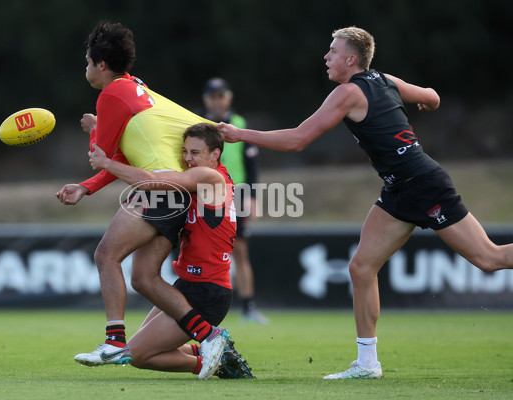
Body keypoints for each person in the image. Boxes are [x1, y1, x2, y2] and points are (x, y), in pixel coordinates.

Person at [219, 26, 513, 379]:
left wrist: (239, 135)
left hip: (424, 184)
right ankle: (367, 364)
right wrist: (427, 102)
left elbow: (298, 140)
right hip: (397, 190)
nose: (326, 57)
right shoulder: (384, 80)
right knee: (360, 268)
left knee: (490, 259)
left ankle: (367, 363)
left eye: (332, 51)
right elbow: (432, 95)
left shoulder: (347, 93)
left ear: (351, 59)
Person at [55, 21, 229, 378]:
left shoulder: (111, 95)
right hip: (177, 195)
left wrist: (94, 131)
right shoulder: (135, 87)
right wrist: (86, 187)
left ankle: (115, 341)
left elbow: (101, 155)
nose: (85, 69)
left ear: (101, 64)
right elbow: (117, 158)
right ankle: (209, 338)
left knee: (106, 254)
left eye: (87, 62)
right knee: (144, 277)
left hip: (160, 192)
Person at [88, 123, 253, 379]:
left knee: (139, 355)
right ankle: (214, 352)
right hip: (188, 285)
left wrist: (107, 162)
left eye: (195, 153)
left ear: (215, 155)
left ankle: (214, 361)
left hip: (207, 291)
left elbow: (153, 181)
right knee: (147, 340)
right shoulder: (206, 176)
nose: (187, 159)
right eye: (185, 151)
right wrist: (102, 125)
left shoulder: (211, 178)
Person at [199, 77, 269, 325]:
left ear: (228, 98)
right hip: (203, 192)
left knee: (240, 250)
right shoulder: (196, 123)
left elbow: (252, 166)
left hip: (236, 193)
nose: (217, 101)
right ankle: (200, 305)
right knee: (199, 248)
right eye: (213, 96)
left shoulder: (239, 124)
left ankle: (248, 307)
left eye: (221, 96)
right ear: (206, 99)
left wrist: (251, 197)